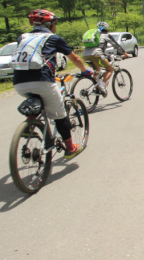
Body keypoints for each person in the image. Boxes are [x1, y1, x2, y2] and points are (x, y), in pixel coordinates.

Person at [12, 9, 91, 158]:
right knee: (59, 116)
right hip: (42, 81)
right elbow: (75, 58)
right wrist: (85, 71)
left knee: (37, 99)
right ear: (49, 24)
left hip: (19, 82)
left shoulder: (22, 37)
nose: (56, 26)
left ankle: (30, 124)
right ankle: (70, 148)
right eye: (55, 23)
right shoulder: (53, 38)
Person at [81, 21, 130, 96]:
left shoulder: (94, 35)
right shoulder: (106, 35)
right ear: (107, 28)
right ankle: (102, 85)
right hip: (96, 54)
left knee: (97, 70)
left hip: (85, 55)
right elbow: (116, 45)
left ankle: (96, 87)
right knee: (110, 69)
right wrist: (125, 54)